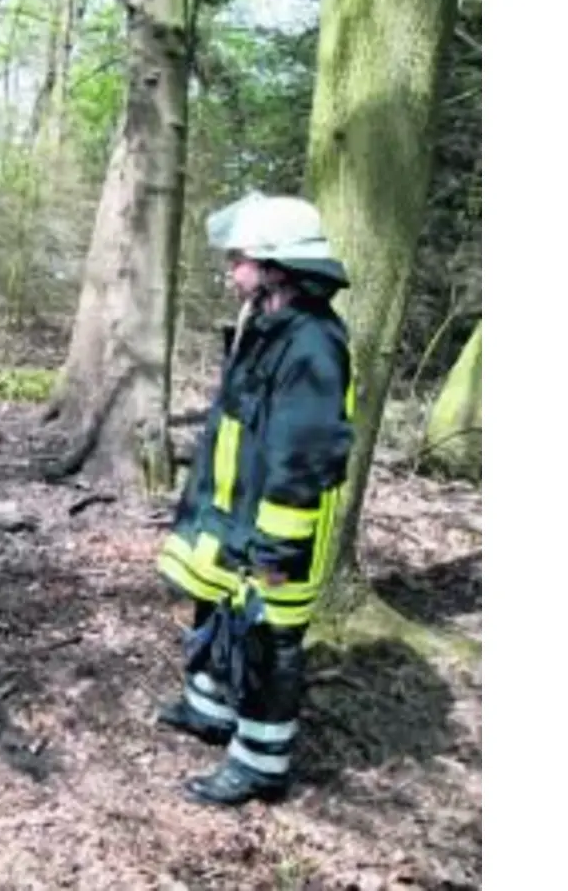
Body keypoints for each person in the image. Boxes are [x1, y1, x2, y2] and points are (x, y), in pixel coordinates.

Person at [153, 191, 356, 807]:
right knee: (217, 606)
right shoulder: (269, 326)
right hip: (235, 515)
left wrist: (276, 545)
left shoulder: (314, 343)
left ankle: (261, 764)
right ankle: (209, 711)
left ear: (278, 264)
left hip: (279, 528)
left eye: (241, 258)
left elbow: (304, 455)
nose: (231, 269)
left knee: (269, 638)